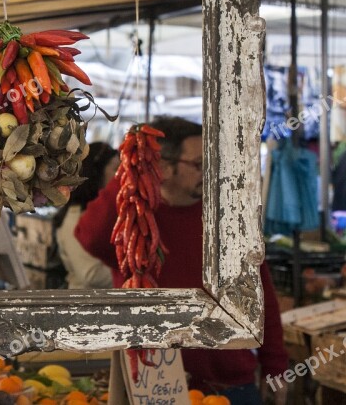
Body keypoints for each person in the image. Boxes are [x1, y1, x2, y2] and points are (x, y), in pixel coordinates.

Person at [74, 116, 288, 405]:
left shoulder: (228, 219)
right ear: (163, 167)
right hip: (156, 384)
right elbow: (88, 235)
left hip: (232, 383)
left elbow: (262, 296)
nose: (208, 171)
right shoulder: (134, 219)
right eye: (199, 164)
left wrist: (275, 368)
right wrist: (132, 170)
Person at [54, 142, 118, 289]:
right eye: (115, 169)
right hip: (87, 306)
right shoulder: (76, 218)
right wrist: (134, 272)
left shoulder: (103, 212)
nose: (120, 176)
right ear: (95, 174)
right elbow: (91, 275)